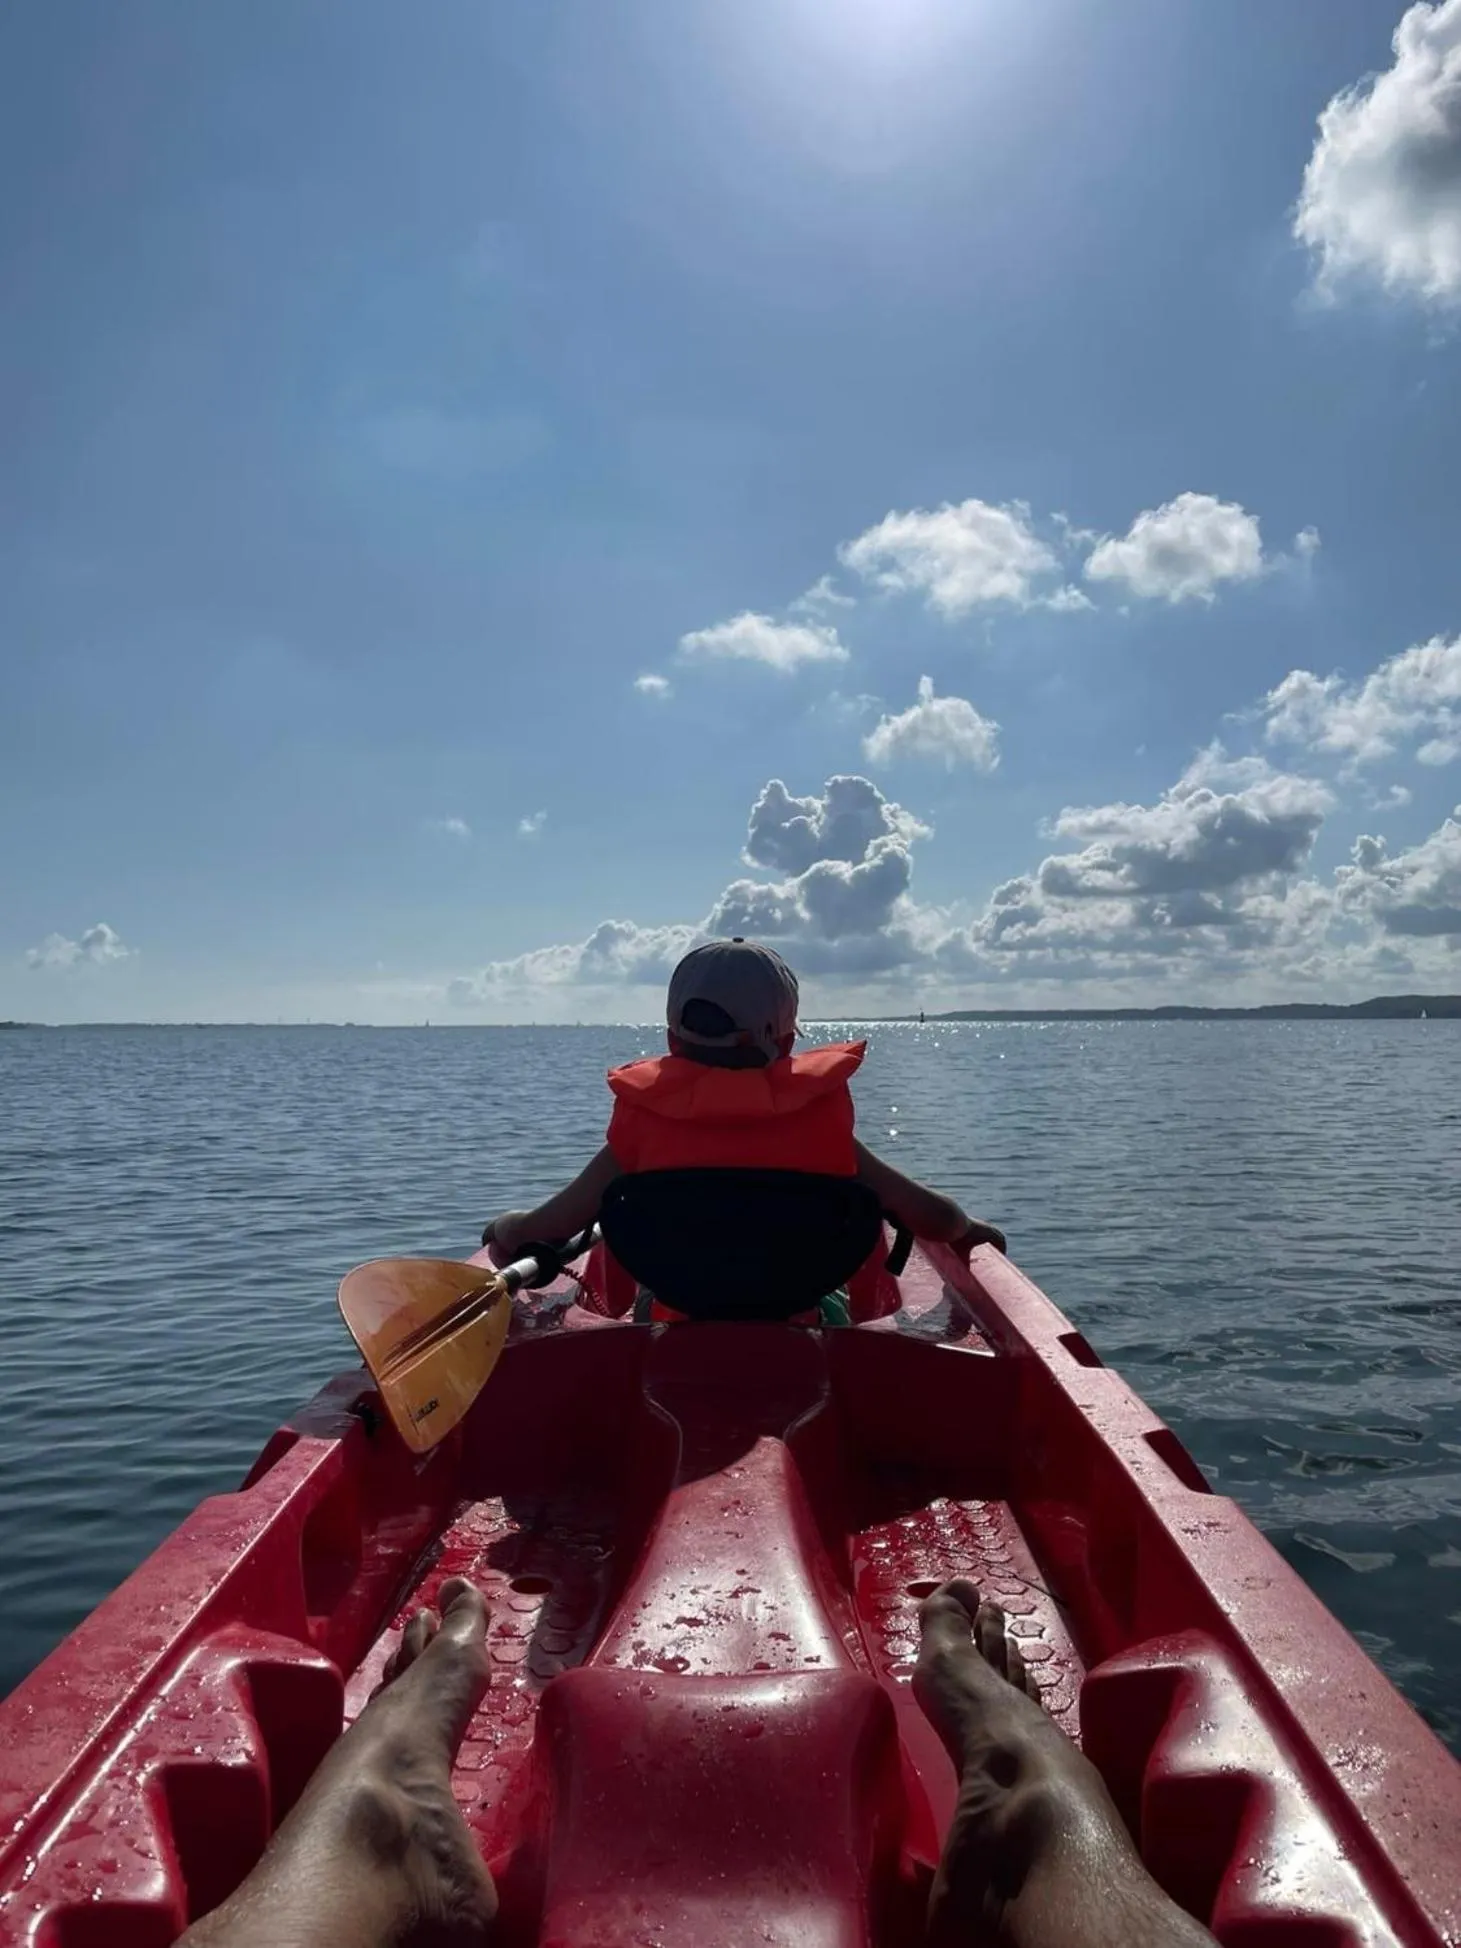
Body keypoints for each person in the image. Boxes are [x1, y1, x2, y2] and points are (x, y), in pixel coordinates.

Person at [179, 1576, 1216, 1948]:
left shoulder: (636, 1138)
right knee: (1057, 1822)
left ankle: (381, 1817)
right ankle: (1029, 1818)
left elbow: (578, 1208)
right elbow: (901, 1204)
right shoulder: (828, 1131)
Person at [485, 939, 1006, 1273]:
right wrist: (967, 1229)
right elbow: (930, 1215)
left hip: (675, 1310)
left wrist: (510, 1227)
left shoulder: (642, 1120)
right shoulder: (816, 1117)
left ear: (671, 1038)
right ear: (784, 1043)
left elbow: (555, 1221)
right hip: (801, 1309)